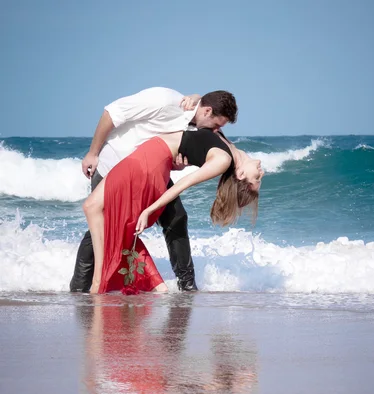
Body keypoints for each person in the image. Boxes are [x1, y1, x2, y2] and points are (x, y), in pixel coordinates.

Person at [70, 87, 238, 293]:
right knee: (104, 229)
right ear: (207, 111)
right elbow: (111, 113)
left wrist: (178, 163)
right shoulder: (164, 100)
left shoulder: (194, 123)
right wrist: (93, 152)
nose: (215, 131)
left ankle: (187, 286)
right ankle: (79, 290)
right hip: (113, 167)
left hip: (150, 173)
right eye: (215, 125)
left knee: (176, 218)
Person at [83, 128, 264, 294]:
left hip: (150, 160)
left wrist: (149, 209)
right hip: (153, 155)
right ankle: (154, 285)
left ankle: (100, 281)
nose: (261, 172)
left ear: (241, 175)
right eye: (259, 177)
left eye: (257, 177)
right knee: (114, 222)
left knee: (95, 210)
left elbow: (182, 184)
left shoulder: (223, 160)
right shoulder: (230, 149)